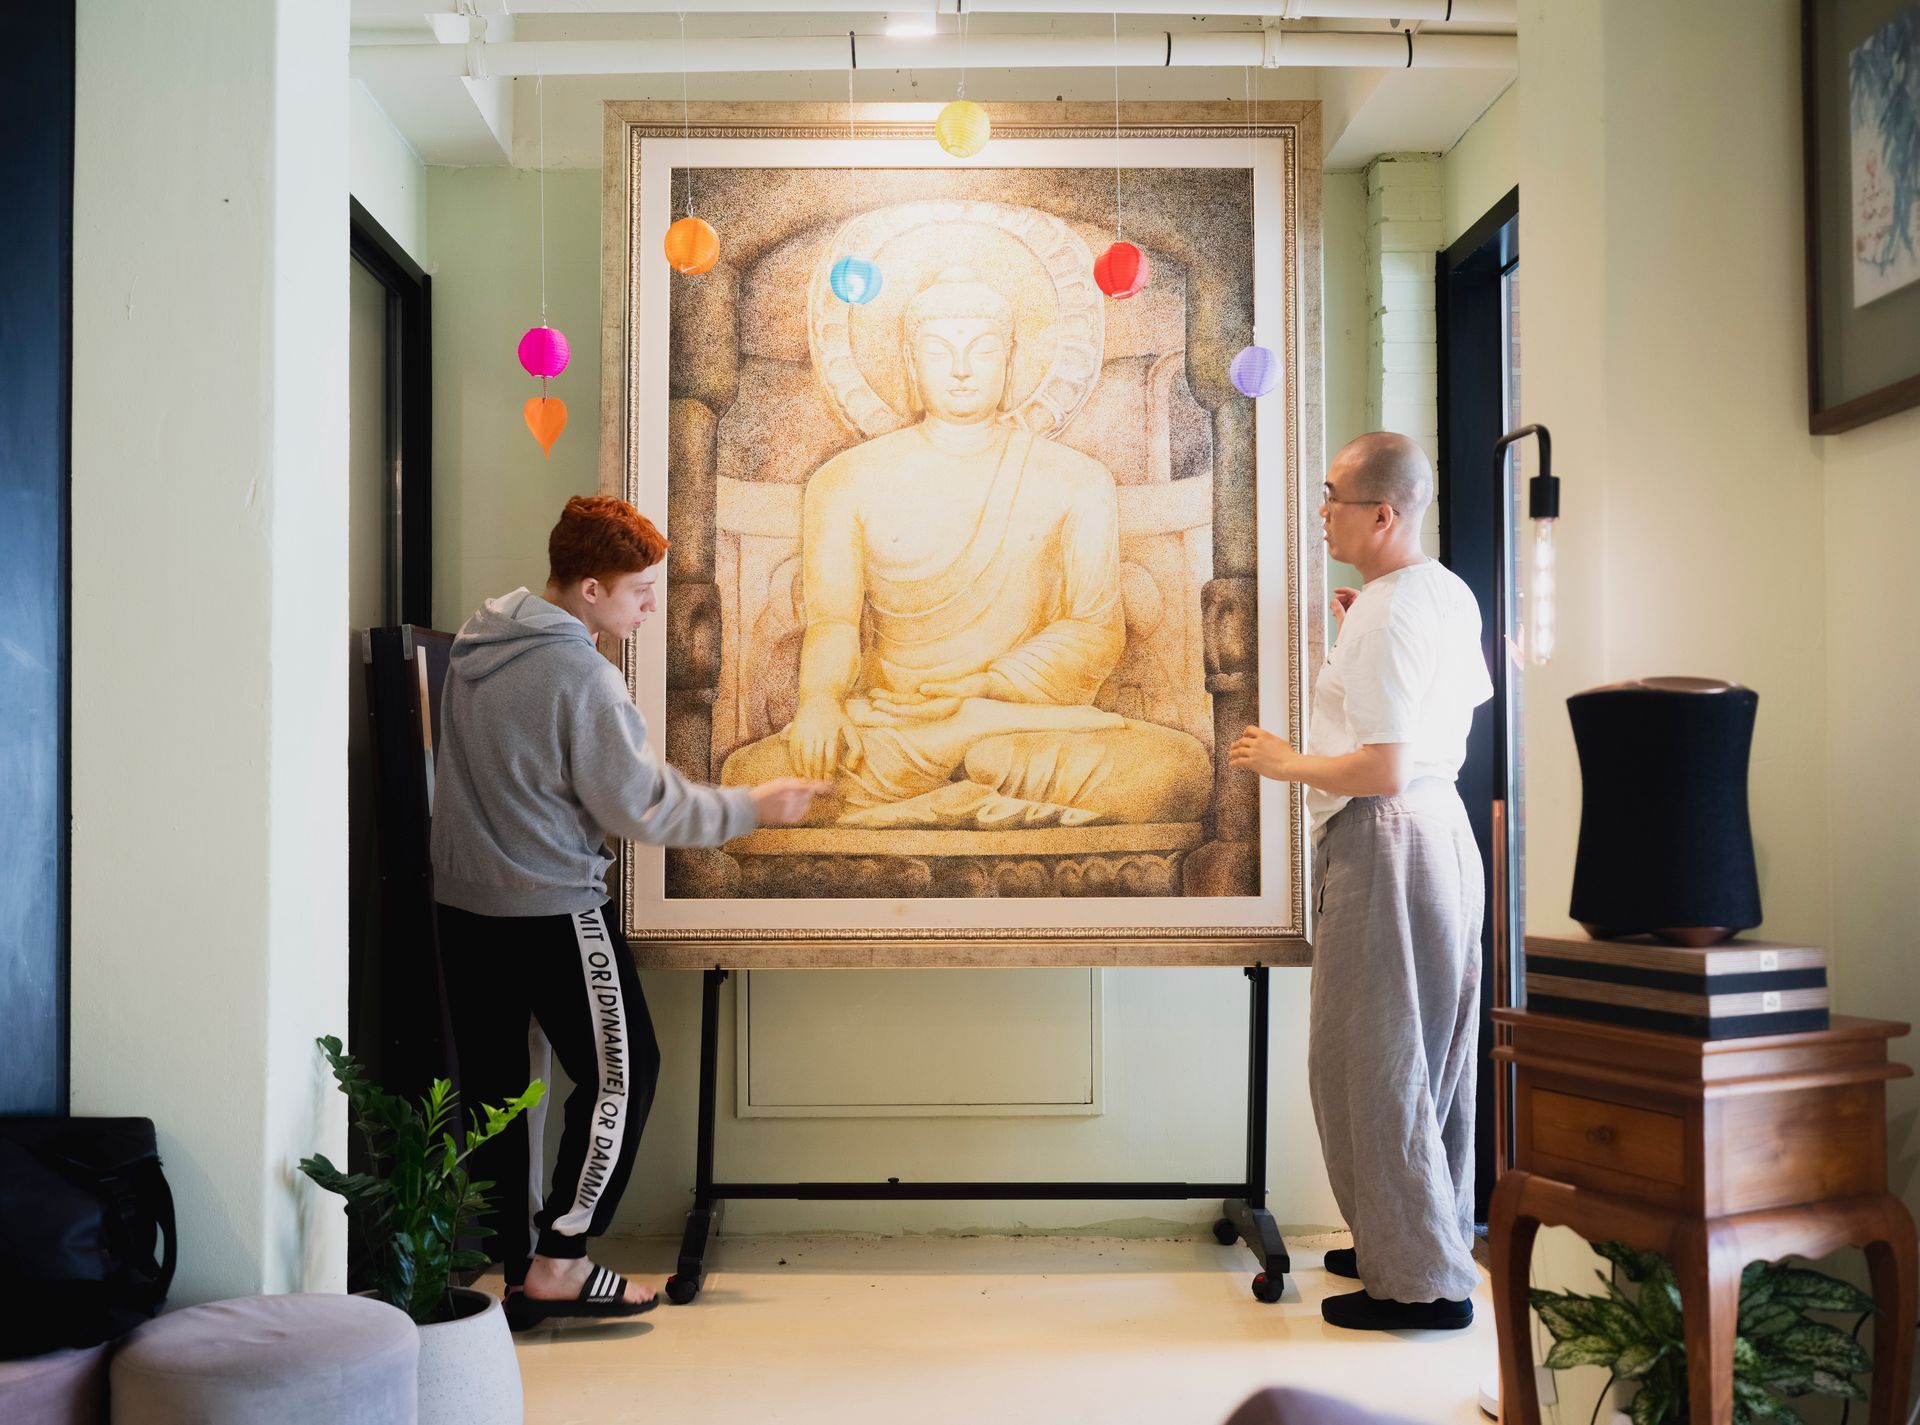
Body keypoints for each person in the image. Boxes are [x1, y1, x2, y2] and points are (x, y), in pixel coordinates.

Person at [430, 495, 828, 1329]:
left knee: (501, 1092)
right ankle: (562, 1258)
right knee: (626, 1071)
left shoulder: (474, 641)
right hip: (553, 908)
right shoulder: (584, 675)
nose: (650, 606)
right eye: (639, 590)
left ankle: (520, 1268)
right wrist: (753, 805)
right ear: (589, 588)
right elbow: (641, 805)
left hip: (464, 909)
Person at [719, 266, 1209, 830]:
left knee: (1176, 772)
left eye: (982, 350)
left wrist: (980, 689)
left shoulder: (1077, 480)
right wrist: (820, 703)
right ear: (910, 362)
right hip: (898, 724)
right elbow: (833, 623)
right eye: (938, 350)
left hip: (1019, 723)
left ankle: (937, 798)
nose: (960, 369)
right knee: (748, 777)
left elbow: (1095, 630)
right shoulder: (846, 479)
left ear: (1011, 359)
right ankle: (975, 792)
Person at [1229, 432, 1493, 1331]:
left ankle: (1416, 1281)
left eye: (1334, 496)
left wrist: (1286, 761)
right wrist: (1364, 637)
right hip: (1440, 831)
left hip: (1387, 834)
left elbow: (1382, 768)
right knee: (1426, 1054)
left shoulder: (1386, 613)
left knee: (1370, 1058)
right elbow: (1445, 708)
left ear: (1383, 513)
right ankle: (1414, 1241)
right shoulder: (1440, 591)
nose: (1322, 512)